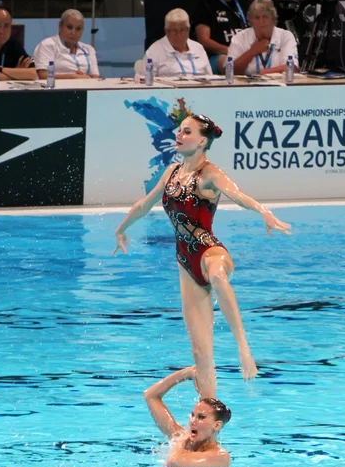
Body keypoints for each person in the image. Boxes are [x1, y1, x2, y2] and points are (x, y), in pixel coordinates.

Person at [113, 113, 291, 399]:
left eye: (187, 131)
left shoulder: (209, 173)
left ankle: (244, 349)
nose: (179, 135)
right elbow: (145, 204)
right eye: (179, 130)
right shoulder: (171, 172)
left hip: (210, 251)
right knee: (201, 352)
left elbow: (238, 194)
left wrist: (263, 212)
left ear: (202, 141)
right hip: (185, 262)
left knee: (218, 275)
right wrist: (121, 229)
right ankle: (208, 417)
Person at [144, 366, 231, 467]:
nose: (193, 421)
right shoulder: (184, 440)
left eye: (201, 417)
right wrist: (186, 374)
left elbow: (174, 461)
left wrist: (182, 439)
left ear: (217, 425)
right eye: (192, 415)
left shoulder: (220, 457)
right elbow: (151, 396)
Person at [193, 0, 248, 75]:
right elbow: (204, 41)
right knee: (230, 63)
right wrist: (231, 51)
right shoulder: (206, 6)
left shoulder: (243, 3)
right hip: (218, 56)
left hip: (245, 53)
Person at [227, 0, 299, 76]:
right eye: (257, 17)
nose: (261, 21)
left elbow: (292, 68)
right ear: (251, 21)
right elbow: (229, 71)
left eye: (265, 17)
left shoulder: (286, 36)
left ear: (274, 20)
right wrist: (252, 52)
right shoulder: (240, 37)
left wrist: (260, 74)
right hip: (247, 87)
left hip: (280, 86)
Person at [143, 8, 212, 78]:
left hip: (200, 88)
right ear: (166, 31)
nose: (179, 35)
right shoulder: (154, 51)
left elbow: (210, 78)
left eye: (183, 30)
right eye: (174, 31)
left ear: (189, 30)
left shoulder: (198, 48)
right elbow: (147, 82)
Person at [34, 9, 100, 80]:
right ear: (60, 26)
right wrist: (72, 77)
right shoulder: (48, 45)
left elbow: (95, 77)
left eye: (78, 29)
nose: (73, 32)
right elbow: (43, 75)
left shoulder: (89, 49)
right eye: (69, 27)